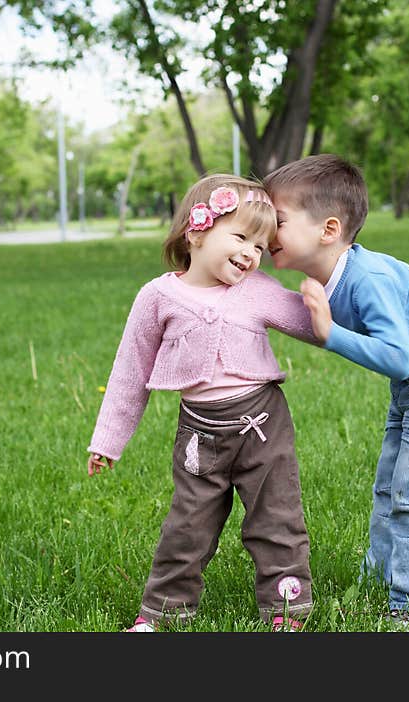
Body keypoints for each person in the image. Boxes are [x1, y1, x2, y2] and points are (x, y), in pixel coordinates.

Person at [86, 174, 318, 632]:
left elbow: (312, 325)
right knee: (187, 527)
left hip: (263, 424)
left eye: (260, 244)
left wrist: (346, 312)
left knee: (276, 518)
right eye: (241, 237)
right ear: (196, 231)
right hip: (200, 434)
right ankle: (163, 612)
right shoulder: (158, 297)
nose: (252, 254)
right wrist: (108, 441)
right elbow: (130, 372)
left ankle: (286, 610)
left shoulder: (257, 289)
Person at [263, 153, 409, 624]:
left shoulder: (368, 281)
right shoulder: (326, 275)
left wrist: (330, 334)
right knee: (388, 484)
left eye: (276, 221)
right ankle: (379, 574)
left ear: (328, 230)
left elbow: (399, 356)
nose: (266, 233)